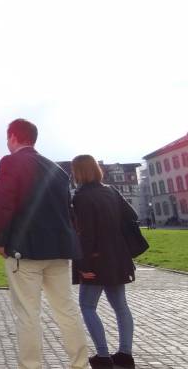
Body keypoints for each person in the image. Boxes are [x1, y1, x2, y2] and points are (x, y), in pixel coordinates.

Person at [0, 119, 89, 369]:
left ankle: (31, 366)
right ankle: (80, 364)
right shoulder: (56, 169)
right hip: (59, 250)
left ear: (13, 136)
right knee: (66, 309)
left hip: (25, 249)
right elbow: (68, 210)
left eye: (8, 137)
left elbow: (4, 204)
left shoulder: (10, 162)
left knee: (28, 313)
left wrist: (0, 240)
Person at [71, 155, 137, 369]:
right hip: (118, 257)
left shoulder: (81, 197)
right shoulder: (112, 191)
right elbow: (132, 215)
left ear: (78, 173)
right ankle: (125, 354)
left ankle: (103, 356)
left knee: (87, 306)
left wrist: (82, 265)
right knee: (121, 307)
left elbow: (86, 235)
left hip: (96, 260)